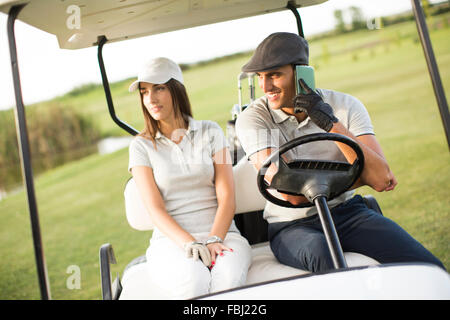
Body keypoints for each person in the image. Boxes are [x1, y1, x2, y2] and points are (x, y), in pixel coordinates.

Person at [235, 32, 445, 273]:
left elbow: (380, 178)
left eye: (274, 74)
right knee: (327, 258)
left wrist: (330, 123)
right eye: (260, 76)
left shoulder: (345, 105)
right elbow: (291, 194)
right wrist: (356, 176)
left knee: (429, 268)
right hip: (292, 226)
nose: (265, 86)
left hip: (349, 213)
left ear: (302, 72)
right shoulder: (253, 119)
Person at [128, 57, 252, 299]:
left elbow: (227, 197)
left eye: (159, 88)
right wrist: (190, 244)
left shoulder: (211, 131)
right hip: (171, 242)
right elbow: (155, 210)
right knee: (194, 282)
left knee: (228, 281)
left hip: (224, 234)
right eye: (144, 92)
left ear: (177, 90)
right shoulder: (140, 147)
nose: (150, 99)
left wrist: (214, 239)